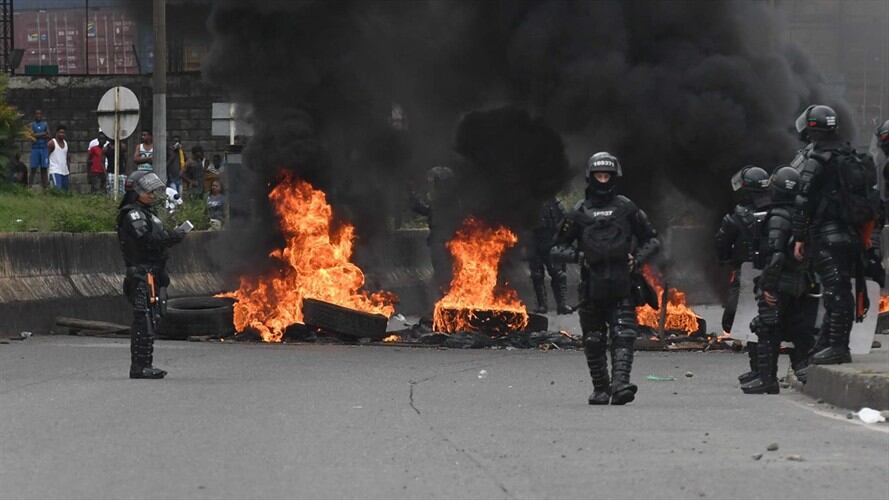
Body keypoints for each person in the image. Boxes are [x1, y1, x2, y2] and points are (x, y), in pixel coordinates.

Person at [551, 152, 660, 405]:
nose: (602, 180)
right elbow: (556, 249)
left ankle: (621, 384)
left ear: (614, 177)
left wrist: (638, 258)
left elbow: (652, 239)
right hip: (592, 287)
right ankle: (601, 388)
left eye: (606, 175)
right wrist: (580, 256)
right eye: (598, 175)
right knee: (594, 339)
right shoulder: (578, 212)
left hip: (623, 283)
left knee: (624, 335)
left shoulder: (627, 208)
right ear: (591, 177)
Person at [791, 105, 881, 365]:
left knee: (836, 292)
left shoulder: (817, 159)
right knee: (837, 288)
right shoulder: (849, 154)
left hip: (827, 236)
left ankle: (838, 346)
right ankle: (827, 344)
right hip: (851, 234)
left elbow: (803, 199)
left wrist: (799, 237)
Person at [742, 167, 817, 394]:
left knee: (766, 327)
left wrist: (767, 285)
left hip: (781, 281)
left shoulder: (778, 216)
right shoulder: (800, 216)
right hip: (798, 281)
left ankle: (767, 379)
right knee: (797, 329)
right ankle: (804, 373)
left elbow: (776, 255)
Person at [117, 171, 188, 379]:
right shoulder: (133, 215)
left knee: (150, 320)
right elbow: (147, 242)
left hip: (152, 273)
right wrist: (172, 237)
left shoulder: (148, 214)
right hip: (140, 274)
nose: (152, 194)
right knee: (143, 322)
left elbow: (157, 240)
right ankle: (139, 367)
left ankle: (144, 365)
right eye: (148, 191)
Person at [714, 166, 770, 336]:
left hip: (747, 272)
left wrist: (726, 259)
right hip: (773, 268)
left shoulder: (734, 219)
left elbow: (721, 245)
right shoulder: (779, 213)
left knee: (730, 320)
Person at [410, 166, 463, 294]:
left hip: (443, 243)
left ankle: (445, 301)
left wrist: (412, 197)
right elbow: (426, 211)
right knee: (445, 274)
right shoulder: (452, 200)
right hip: (447, 242)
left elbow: (429, 212)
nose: (431, 186)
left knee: (443, 275)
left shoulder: (446, 201)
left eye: (433, 182)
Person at [528, 197, 570, 314]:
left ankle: (562, 305)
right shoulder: (529, 201)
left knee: (558, 274)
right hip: (535, 241)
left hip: (552, 241)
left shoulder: (555, 203)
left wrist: (560, 238)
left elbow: (565, 221)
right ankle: (542, 305)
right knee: (537, 275)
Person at [28, 109, 49, 189]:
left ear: (42, 115)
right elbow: (31, 135)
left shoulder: (45, 124)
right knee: (33, 168)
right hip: (35, 149)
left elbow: (48, 135)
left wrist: (36, 135)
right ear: (34, 115)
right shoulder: (32, 124)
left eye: (40, 114)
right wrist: (43, 134)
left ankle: (45, 188)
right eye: (37, 114)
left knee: (44, 168)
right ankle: (29, 187)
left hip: (44, 149)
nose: (38, 115)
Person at [46, 125, 70, 192]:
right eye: (60, 132)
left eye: (63, 133)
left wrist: (68, 170)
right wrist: (47, 171)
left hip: (64, 171)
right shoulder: (52, 143)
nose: (62, 134)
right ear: (56, 133)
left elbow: (67, 157)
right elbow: (46, 157)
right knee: (56, 191)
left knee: (65, 192)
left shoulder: (65, 143)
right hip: (54, 170)